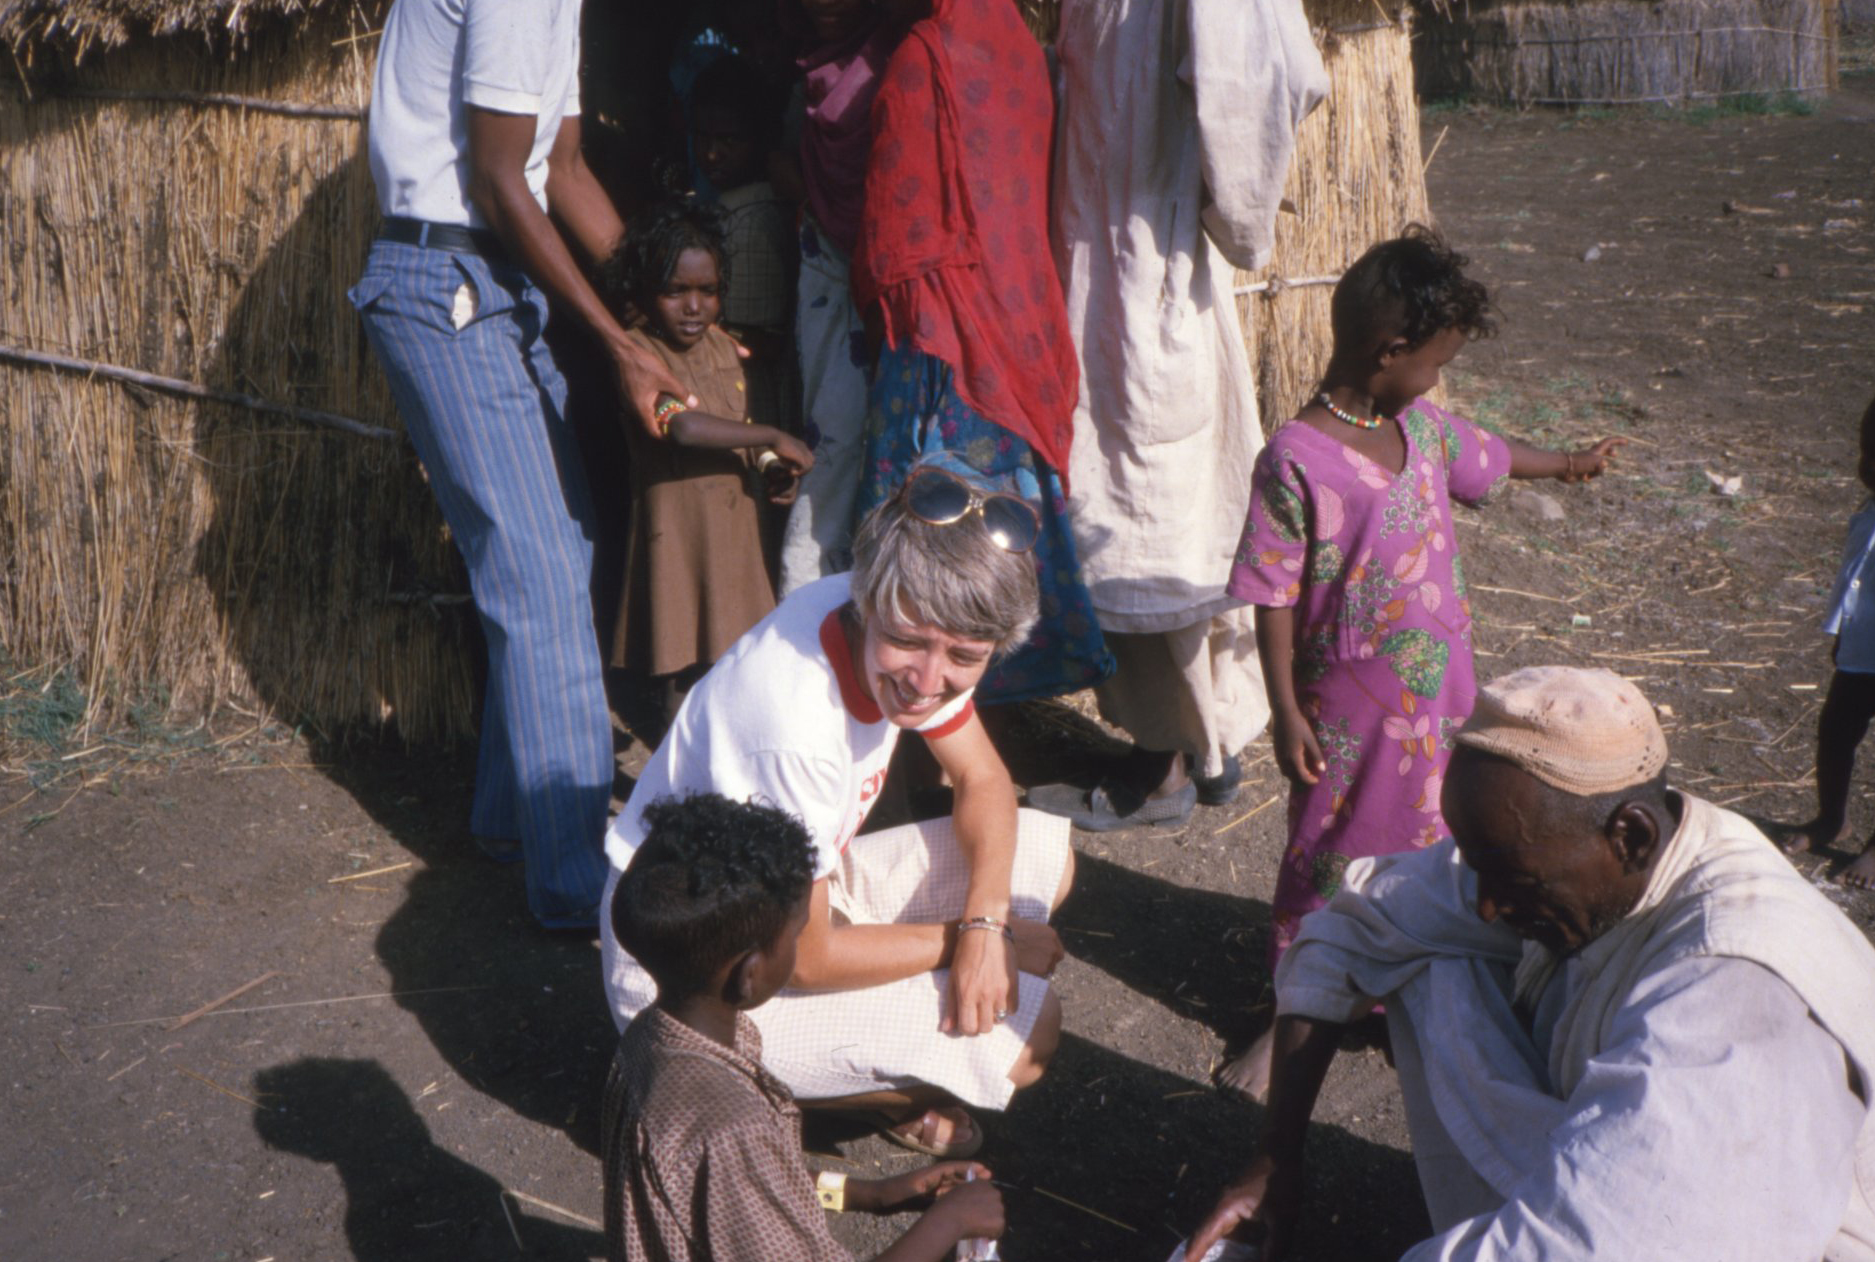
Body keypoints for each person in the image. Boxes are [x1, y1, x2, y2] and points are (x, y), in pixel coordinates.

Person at [1185, 666, 1875, 1262]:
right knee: (1432, 961)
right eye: (1476, 868)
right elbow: (1353, 924)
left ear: (1628, 835)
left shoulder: (1738, 991)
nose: (1484, 905)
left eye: (1510, 880)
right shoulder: (1576, 852)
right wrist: (1275, 1158)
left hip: (1755, 1230)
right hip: (1656, 1181)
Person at [1215, 228, 1624, 1099]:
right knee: (1328, 852)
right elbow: (1271, 592)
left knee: (1433, 846)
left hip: (1443, 705)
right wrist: (1286, 709)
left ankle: (1399, 987)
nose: (1439, 381)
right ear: (1388, 350)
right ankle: (1295, 1015)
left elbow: (1496, 456)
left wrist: (1570, 465)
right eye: (1434, 363)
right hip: (1344, 717)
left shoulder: (1422, 428)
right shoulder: (1295, 459)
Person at [601, 475, 1074, 1155]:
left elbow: (984, 779)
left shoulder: (885, 610)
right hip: (692, 976)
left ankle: (876, 1055)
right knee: (1028, 1033)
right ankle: (814, 1102)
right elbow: (807, 958)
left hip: (792, 905)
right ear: (868, 597)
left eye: (965, 657)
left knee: (1038, 858)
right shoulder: (790, 724)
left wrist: (984, 923)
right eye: (909, 643)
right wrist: (976, 942)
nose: (926, 680)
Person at [349, 0, 689, 928]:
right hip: (445, 281)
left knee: (559, 557)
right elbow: (501, 183)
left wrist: (662, 311)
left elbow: (561, 166)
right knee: (537, 579)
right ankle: (577, 879)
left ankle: (514, 822)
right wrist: (620, 347)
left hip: (495, 280)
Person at [1034, 0, 1328, 831]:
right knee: (1133, 502)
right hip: (1095, 259)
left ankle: (1167, 761)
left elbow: (1272, 74)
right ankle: (1201, 742)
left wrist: (1223, 205)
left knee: (1149, 514)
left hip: (1148, 272)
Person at [602, 792, 1006, 1262]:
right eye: (797, 935)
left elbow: (741, 1196)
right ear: (749, 973)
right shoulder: (731, 1128)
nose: (803, 942)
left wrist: (871, 1195)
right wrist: (949, 1222)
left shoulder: (650, 1039)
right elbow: (740, 1175)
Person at [847, 0, 1112, 704]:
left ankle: (914, 713)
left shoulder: (918, 56)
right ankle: (975, 700)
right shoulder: (1026, 51)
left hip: (935, 338)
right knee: (998, 521)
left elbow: (894, 228)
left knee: (921, 525)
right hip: (1018, 321)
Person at [598, 200, 812, 729]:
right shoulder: (640, 358)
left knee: (735, 660)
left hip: (734, 534)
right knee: (680, 671)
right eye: (676, 291)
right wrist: (773, 434)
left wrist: (767, 463)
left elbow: (730, 420)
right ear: (645, 293)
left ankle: (724, 778)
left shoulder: (722, 349)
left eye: (708, 291)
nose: (694, 306)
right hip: (676, 539)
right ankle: (677, 790)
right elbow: (686, 427)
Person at [776, 0, 901, 593]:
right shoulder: (806, 71)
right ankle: (808, 601)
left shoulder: (901, 61)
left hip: (895, 276)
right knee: (832, 438)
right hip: (828, 272)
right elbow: (782, 160)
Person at [1769, 396, 1875, 889]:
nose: (1868, 467)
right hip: (1861, 652)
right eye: (1866, 453)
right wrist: (1842, 634)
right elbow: (1855, 579)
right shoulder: (1870, 511)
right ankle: (1832, 817)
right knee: (1835, 732)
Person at [690, 55, 803, 443]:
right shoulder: (728, 207)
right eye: (703, 138)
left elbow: (765, 341)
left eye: (729, 140)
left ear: (760, 139)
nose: (711, 153)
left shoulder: (753, 219)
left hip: (753, 400)